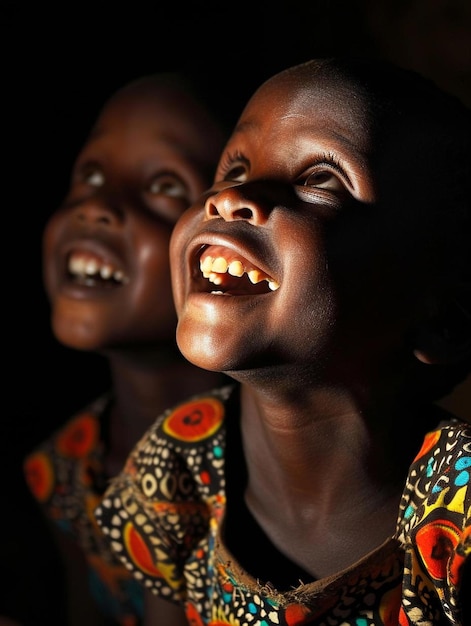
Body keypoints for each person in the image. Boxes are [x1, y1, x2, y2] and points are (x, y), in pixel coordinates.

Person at [94, 57, 471, 626]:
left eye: (319, 178)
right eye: (232, 170)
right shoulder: (178, 464)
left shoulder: (458, 520)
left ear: (442, 320)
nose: (229, 199)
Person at [23, 71, 228, 626]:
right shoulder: (64, 470)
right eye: (89, 174)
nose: (97, 207)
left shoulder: (277, 464)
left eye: (163, 186)